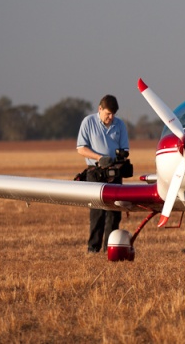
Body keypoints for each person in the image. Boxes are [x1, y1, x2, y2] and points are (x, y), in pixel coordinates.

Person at [76, 95, 129, 253]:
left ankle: (110, 248)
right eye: (108, 114)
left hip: (115, 172)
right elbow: (81, 148)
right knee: (97, 212)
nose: (111, 117)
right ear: (100, 109)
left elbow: (125, 149)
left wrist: (120, 158)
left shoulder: (120, 125)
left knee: (114, 212)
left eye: (113, 114)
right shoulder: (88, 122)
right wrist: (99, 158)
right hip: (95, 172)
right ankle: (93, 248)